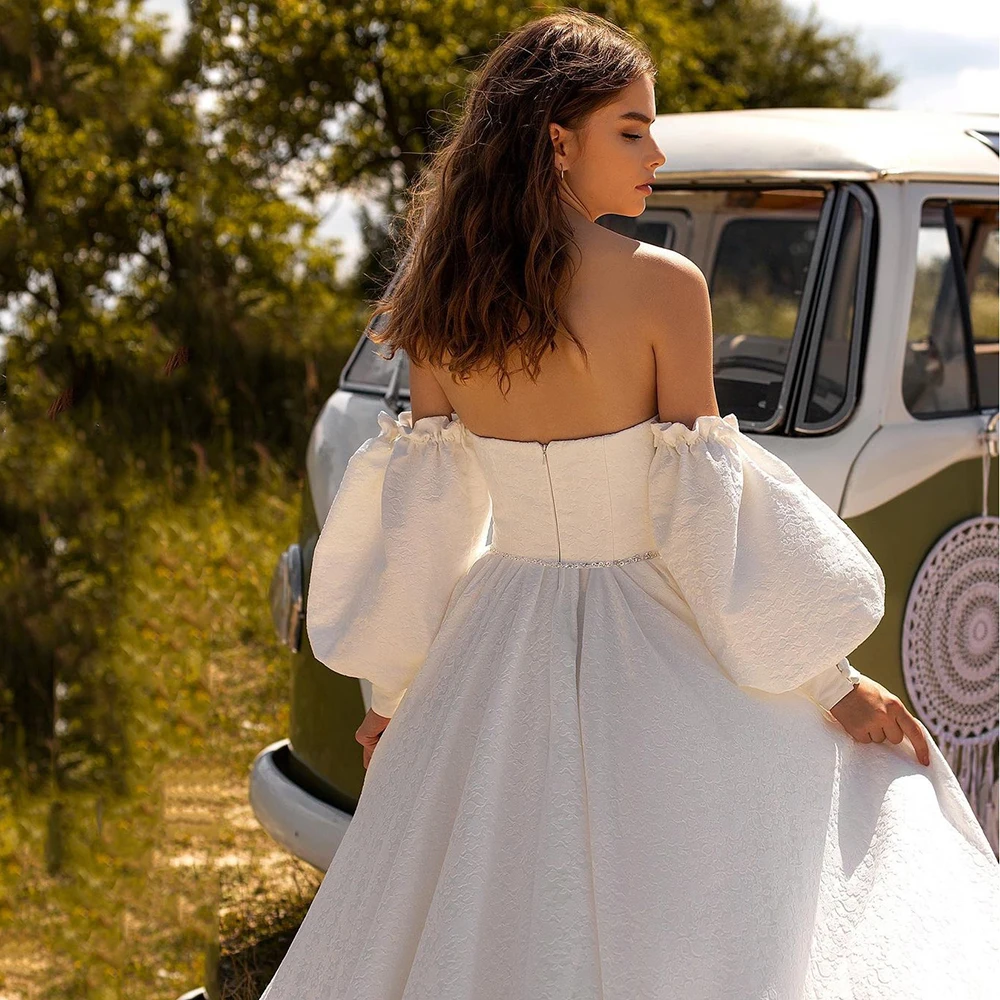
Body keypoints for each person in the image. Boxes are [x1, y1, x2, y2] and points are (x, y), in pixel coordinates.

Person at [259, 11, 999, 999]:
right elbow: (704, 515)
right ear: (557, 140)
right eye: (632, 129)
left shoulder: (438, 298)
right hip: (651, 629)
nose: (657, 154)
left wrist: (395, 694)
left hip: (492, 638)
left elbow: (427, 522)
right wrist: (832, 684)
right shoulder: (662, 288)